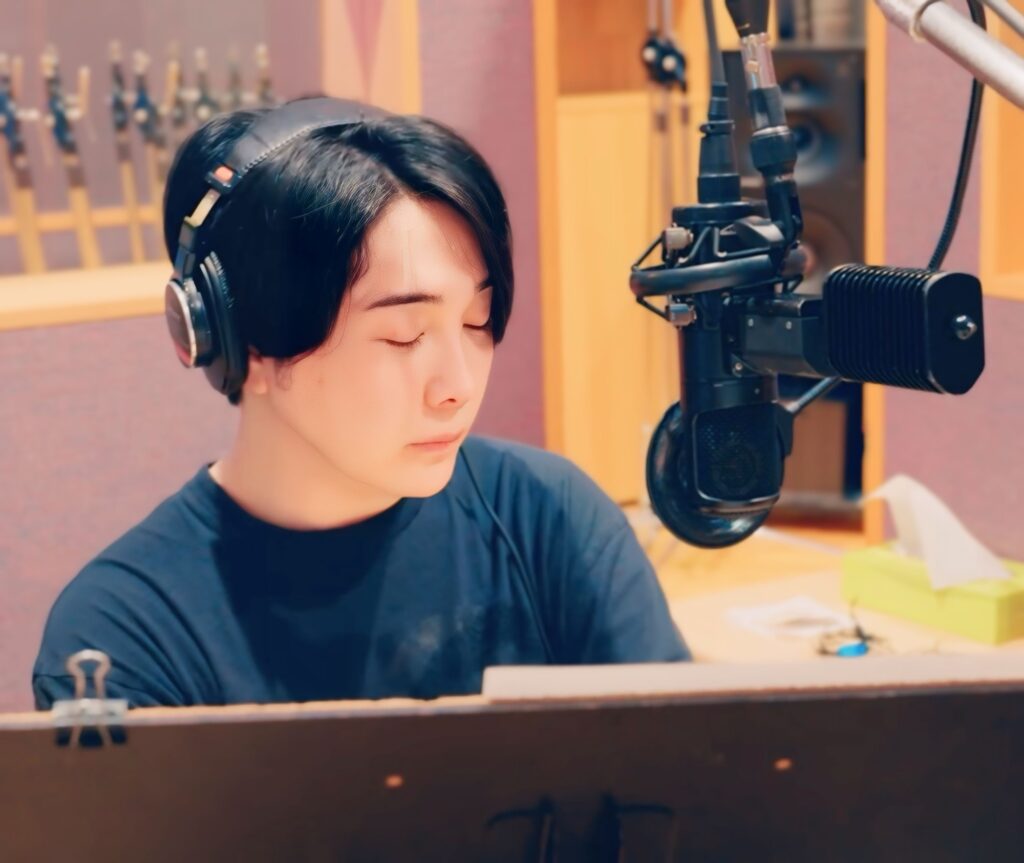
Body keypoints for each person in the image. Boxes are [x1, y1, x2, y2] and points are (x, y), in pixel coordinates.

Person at [32, 98, 689, 709]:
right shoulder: (124, 635)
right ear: (243, 343)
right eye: (403, 335)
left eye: (477, 320)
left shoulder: (547, 518)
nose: (458, 385)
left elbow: (690, 771)